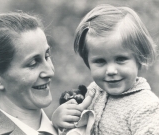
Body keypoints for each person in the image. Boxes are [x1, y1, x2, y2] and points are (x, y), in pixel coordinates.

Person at [52, 4, 159, 135]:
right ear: (88, 63)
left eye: (120, 59)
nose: (111, 70)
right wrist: (60, 119)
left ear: (139, 58)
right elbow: (76, 128)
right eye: (100, 61)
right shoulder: (93, 93)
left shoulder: (146, 107)